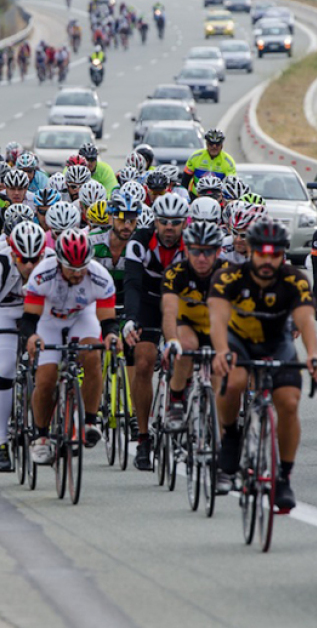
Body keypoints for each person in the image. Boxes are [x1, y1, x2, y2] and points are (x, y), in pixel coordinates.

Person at [209, 218, 317, 505]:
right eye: (262, 252)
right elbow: (218, 318)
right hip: (239, 342)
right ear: (250, 250)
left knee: (288, 403)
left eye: (275, 254)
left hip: (277, 343)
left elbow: (306, 320)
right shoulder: (229, 277)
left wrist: (312, 353)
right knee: (233, 381)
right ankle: (232, 436)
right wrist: (221, 350)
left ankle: (284, 477)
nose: (267, 260)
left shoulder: (294, 279)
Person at [22, 229, 120, 464]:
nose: (77, 275)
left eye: (81, 268)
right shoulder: (42, 274)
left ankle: (89, 421)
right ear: (58, 262)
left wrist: (111, 337)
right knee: (45, 379)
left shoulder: (99, 276)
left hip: (81, 317)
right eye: (71, 269)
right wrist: (32, 338)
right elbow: (29, 320)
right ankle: (42, 437)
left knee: (94, 355)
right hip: (49, 320)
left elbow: (107, 321)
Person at [124, 193, 189, 471]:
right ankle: (143, 437)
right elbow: (132, 284)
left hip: (181, 302)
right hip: (148, 303)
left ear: (184, 224)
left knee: (189, 352)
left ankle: (180, 405)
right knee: (143, 362)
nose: (169, 228)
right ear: (156, 222)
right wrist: (130, 318)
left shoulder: (192, 245)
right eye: (164, 222)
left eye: (175, 223)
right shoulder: (139, 241)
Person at [0, 221, 48, 471]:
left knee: (49, 371)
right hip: (5, 315)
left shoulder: (51, 261)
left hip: (39, 316)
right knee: (5, 370)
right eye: (23, 259)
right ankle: (1, 442)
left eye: (34, 259)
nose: (29, 266)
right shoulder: (0, 262)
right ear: (13, 252)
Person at [160, 221, 229, 432]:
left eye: (207, 252)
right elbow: (169, 311)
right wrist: (172, 341)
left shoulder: (229, 273)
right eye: (195, 251)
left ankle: (219, 439)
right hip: (186, 324)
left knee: (221, 384)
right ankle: (176, 399)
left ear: (218, 251)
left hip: (216, 327)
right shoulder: (176, 273)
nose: (201, 258)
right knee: (186, 345)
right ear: (187, 250)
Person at [179, 129, 236, 194]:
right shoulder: (195, 157)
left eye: (217, 144)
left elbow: (231, 184)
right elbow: (185, 179)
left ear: (222, 146)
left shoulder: (228, 161)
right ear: (206, 144)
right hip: (196, 196)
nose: (214, 147)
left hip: (217, 198)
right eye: (211, 144)